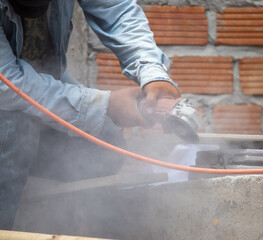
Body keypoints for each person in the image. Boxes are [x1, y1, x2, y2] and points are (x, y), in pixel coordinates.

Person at [0, 0, 180, 229]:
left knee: (107, 141)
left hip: (36, 92)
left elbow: (117, 10)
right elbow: (6, 85)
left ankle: (58, 225)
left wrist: (153, 74)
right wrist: (105, 105)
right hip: (5, 109)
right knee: (13, 132)